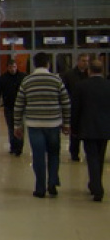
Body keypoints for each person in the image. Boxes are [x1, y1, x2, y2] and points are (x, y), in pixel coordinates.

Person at [13, 52, 70, 198]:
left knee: (38, 156)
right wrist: (66, 123)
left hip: (34, 124)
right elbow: (66, 103)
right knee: (54, 154)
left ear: (34, 64)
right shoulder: (56, 80)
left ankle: (40, 188)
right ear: (48, 64)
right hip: (53, 124)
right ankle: (52, 182)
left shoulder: (27, 81)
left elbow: (19, 105)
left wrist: (17, 125)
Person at [71, 60, 110, 202]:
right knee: (99, 158)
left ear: (89, 71)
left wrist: (74, 128)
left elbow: (75, 109)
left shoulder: (81, 86)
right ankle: (95, 183)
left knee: (92, 157)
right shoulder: (108, 85)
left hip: (87, 127)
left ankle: (96, 187)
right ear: (102, 70)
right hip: (105, 128)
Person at [0, 59, 26, 155]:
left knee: (20, 126)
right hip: (9, 106)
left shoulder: (23, 77)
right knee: (11, 127)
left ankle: (19, 147)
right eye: (11, 67)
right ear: (7, 68)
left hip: (21, 106)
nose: (12, 69)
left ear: (16, 67)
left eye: (14, 67)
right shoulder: (3, 78)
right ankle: (13, 146)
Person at [62, 53, 90, 161]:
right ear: (78, 61)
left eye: (87, 61)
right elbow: (65, 91)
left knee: (87, 133)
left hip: (87, 108)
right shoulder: (69, 75)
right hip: (74, 108)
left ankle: (88, 153)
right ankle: (74, 154)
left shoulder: (89, 75)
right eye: (83, 60)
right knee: (74, 133)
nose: (85, 63)